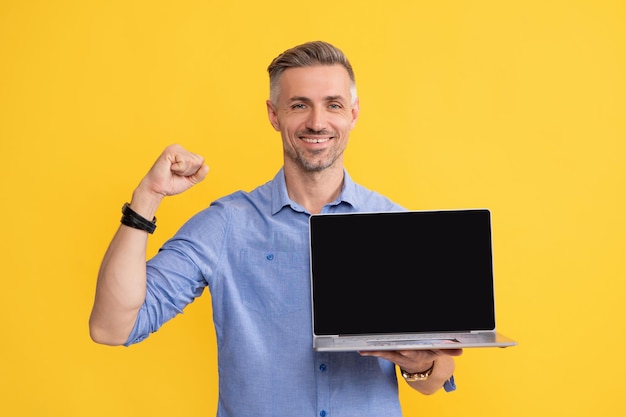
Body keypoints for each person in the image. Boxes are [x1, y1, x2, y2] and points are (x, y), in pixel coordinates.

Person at [89, 40, 462, 417]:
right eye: (299, 105)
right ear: (273, 114)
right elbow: (112, 328)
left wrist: (419, 364)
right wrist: (147, 198)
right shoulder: (226, 225)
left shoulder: (394, 226)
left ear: (353, 113)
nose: (317, 121)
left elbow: (435, 378)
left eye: (333, 104)